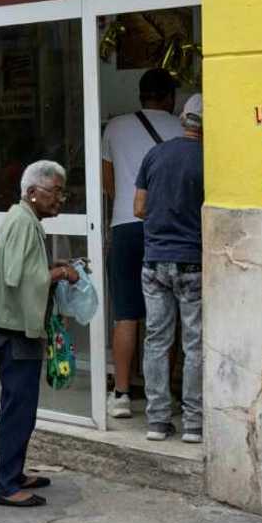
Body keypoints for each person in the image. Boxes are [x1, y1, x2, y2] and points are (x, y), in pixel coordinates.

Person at [0, 160, 79, 507]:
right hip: (13, 330)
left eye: (62, 192)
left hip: (11, 326)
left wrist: (49, 269)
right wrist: (61, 274)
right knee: (19, 409)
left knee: (19, 406)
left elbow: (23, 269)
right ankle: (5, 485)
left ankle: (14, 472)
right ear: (33, 193)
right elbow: (16, 277)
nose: (60, 199)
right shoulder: (23, 223)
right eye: (55, 192)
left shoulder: (23, 218)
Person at [101, 68, 183, 418]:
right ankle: (160, 395)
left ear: (140, 94)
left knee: (125, 314)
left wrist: (126, 206)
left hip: (124, 226)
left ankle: (120, 394)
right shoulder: (182, 130)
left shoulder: (115, 127)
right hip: (165, 231)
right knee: (164, 318)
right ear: (170, 96)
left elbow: (109, 183)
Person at [133, 93, 204, 443]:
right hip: (192, 261)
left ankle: (157, 421)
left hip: (155, 261)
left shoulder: (155, 154)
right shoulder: (209, 160)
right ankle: (193, 422)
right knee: (194, 343)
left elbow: (138, 208)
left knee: (157, 340)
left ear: (183, 119)